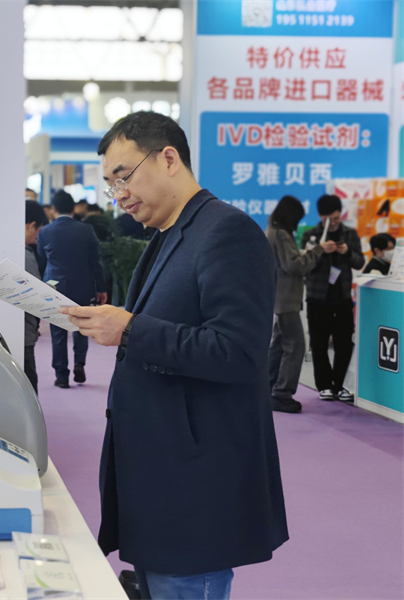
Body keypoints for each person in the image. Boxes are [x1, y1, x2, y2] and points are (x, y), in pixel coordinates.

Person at [58, 111, 288, 600]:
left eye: (124, 175)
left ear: (168, 159)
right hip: (159, 474)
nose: (119, 194)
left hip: (195, 484)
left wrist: (131, 329)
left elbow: (238, 351)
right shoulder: (170, 235)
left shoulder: (227, 232)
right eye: (110, 184)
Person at [266, 195, 333, 413]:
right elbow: (294, 266)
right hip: (287, 299)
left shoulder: (272, 231)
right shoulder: (281, 234)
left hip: (278, 297)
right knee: (295, 346)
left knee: (279, 345)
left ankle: (268, 388)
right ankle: (282, 394)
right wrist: (317, 250)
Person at [36, 190, 106, 388]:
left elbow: (41, 260)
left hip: (55, 286)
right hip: (82, 285)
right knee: (81, 326)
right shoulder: (86, 230)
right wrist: (101, 287)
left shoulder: (45, 231)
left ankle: (61, 375)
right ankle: (79, 364)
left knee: (57, 332)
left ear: (54, 209)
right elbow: (96, 262)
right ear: (74, 209)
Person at [299, 194, 364, 402]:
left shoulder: (350, 234)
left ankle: (341, 384)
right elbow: (304, 266)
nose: (333, 222)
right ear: (320, 216)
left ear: (340, 214)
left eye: (336, 218)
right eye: (328, 219)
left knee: (344, 343)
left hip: (343, 296)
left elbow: (359, 262)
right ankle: (325, 385)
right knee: (318, 343)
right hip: (317, 297)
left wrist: (346, 252)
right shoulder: (311, 235)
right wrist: (320, 250)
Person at [24, 200, 48, 393]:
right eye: (37, 231)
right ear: (30, 226)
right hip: (24, 332)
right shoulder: (24, 255)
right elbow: (34, 297)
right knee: (28, 387)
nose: (37, 237)